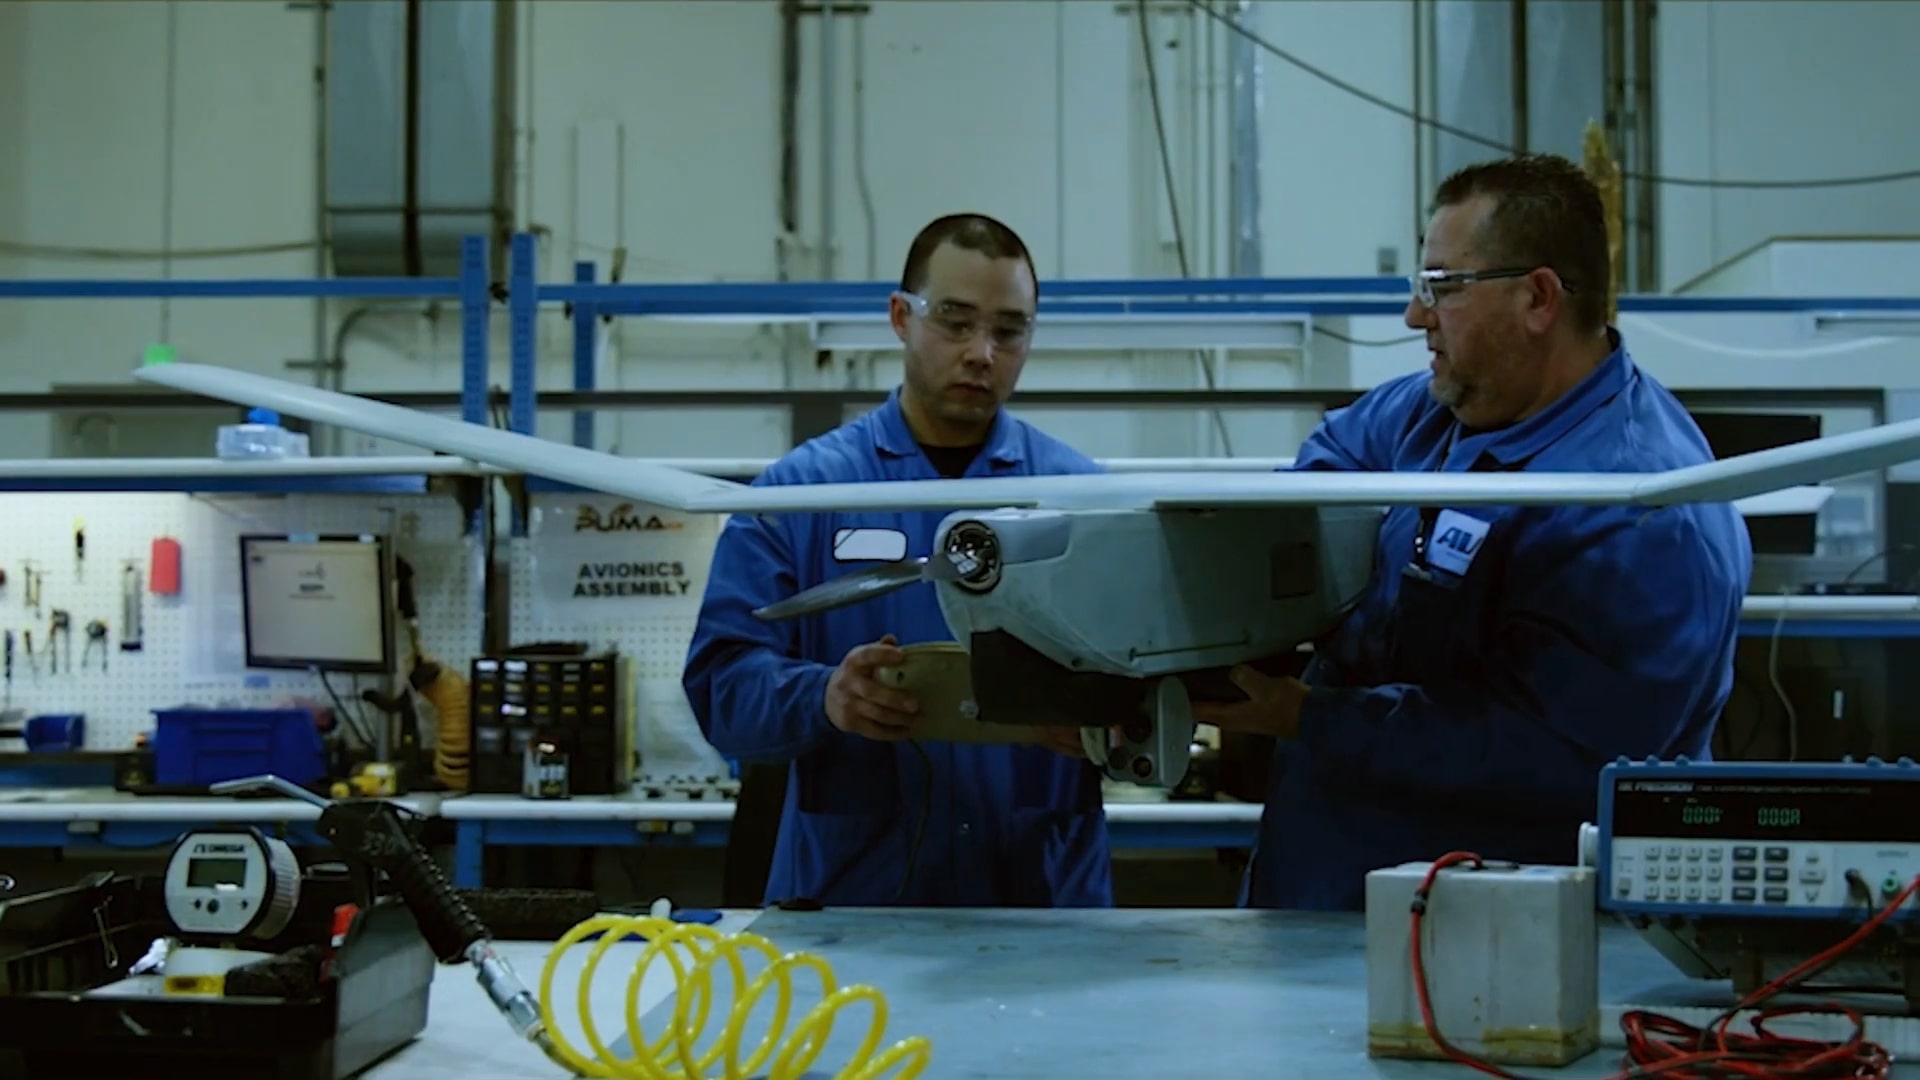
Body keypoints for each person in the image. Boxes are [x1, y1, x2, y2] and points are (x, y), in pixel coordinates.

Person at [1194, 153, 1753, 911]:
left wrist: (1306, 715)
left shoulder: (1639, 516)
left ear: (1538, 297)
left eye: (1442, 288)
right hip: (1325, 892)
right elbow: (1326, 467)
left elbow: (1553, 755)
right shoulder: (1439, 410)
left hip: (1497, 943)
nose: (1415, 316)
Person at [683, 213, 1113, 908]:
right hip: (851, 908)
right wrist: (824, 696)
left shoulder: (1086, 504)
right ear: (900, 317)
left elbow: (1156, 682)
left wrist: (1108, 717)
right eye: (955, 320)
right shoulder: (803, 497)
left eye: (1008, 330)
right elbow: (721, 688)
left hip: (1043, 907)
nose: (981, 352)